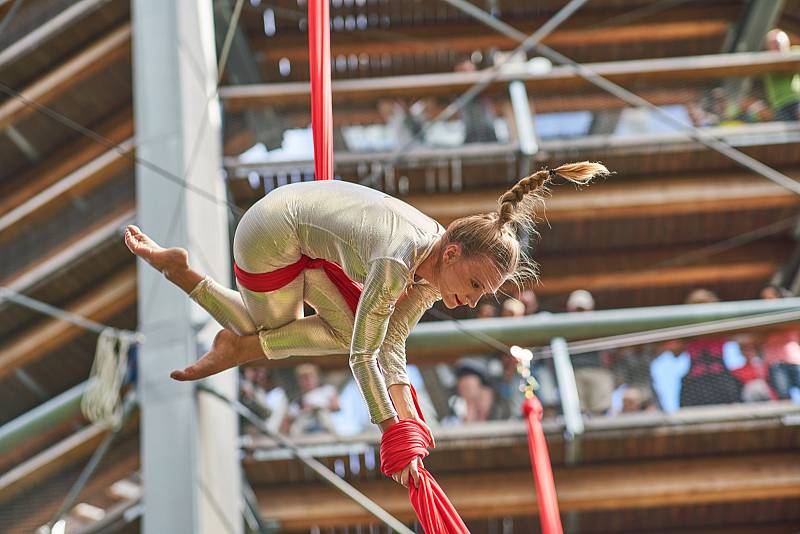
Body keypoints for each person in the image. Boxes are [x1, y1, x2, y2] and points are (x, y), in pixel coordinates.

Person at [124, 161, 607, 487]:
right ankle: (199, 297)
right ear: (453, 253)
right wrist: (393, 432)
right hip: (269, 233)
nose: (472, 301)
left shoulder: (431, 270)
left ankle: (214, 315)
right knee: (288, 327)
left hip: (307, 247)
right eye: (476, 284)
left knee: (349, 328)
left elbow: (392, 345)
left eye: (484, 294)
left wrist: (412, 424)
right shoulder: (400, 260)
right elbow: (363, 355)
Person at [287, 364, 340, 436]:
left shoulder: (326, 390)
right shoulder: (297, 401)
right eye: (304, 378)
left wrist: (316, 408)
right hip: (305, 434)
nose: (308, 380)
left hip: (325, 431)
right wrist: (304, 411)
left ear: (317, 377)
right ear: (299, 381)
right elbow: (289, 419)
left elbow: (336, 406)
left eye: (311, 376)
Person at [763, 29, 800, 122]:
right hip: (780, 104)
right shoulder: (766, 59)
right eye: (772, 43)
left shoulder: (795, 52)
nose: (775, 45)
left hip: (797, 99)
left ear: (786, 42)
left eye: (777, 42)